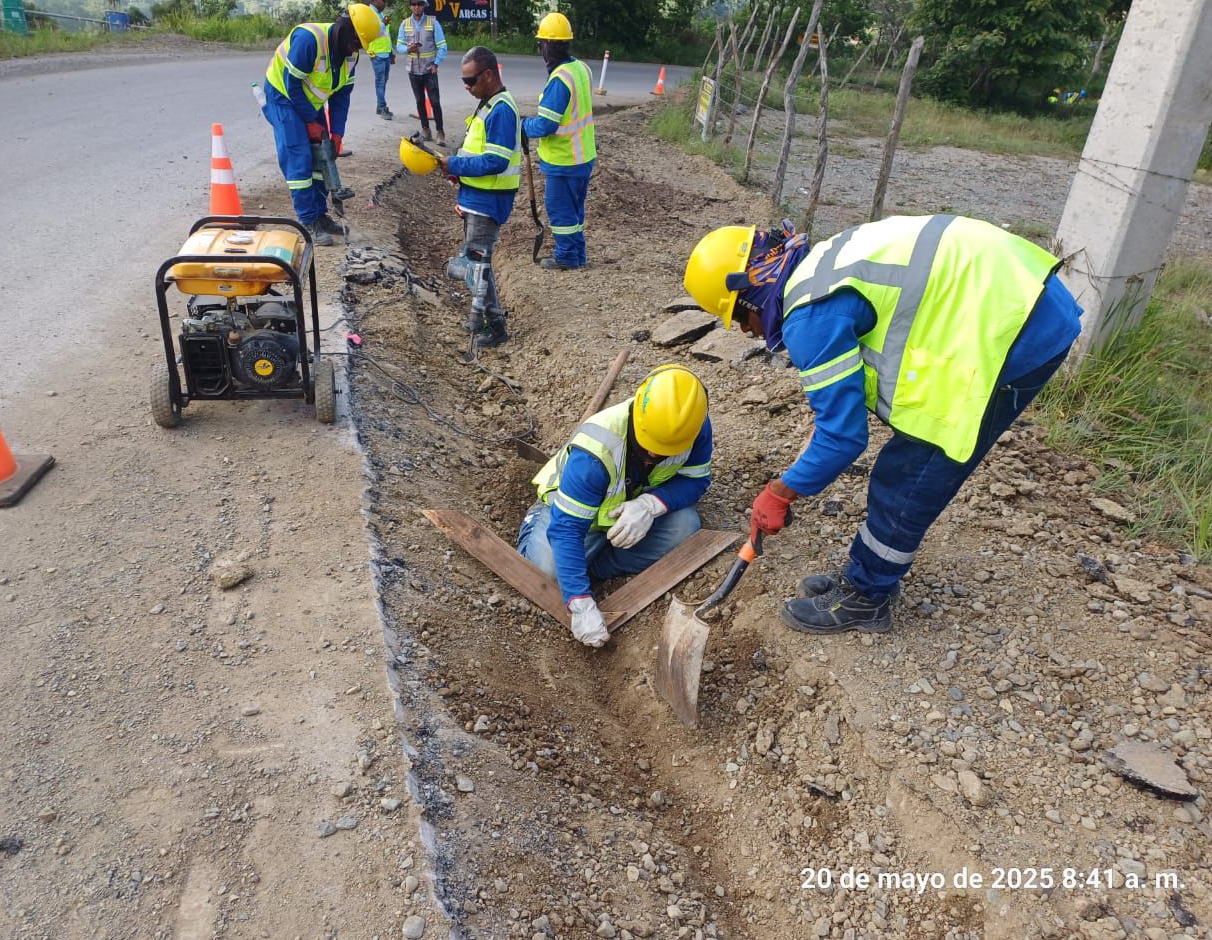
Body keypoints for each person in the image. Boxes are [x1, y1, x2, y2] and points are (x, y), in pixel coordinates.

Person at [683, 215, 1083, 634]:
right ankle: (869, 573)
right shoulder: (820, 268)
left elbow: (843, 438)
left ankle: (868, 596)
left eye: (741, 322)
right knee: (909, 462)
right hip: (1019, 292)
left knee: (912, 471)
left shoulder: (810, 320)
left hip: (1015, 328)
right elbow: (835, 414)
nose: (752, 334)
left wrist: (778, 494)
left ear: (748, 297)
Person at [519, 364, 713, 649]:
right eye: (650, 445)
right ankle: (570, 559)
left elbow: (696, 481)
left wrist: (651, 505)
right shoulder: (593, 455)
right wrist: (580, 603)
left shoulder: (694, 429)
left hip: (624, 514)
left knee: (685, 527)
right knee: (545, 574)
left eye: (665, 449)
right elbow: (567, 529)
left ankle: (594, 566)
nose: (654, 455)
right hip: (566, 517)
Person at [261, 4, 381, 246]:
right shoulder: (310, 40)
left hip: (308, 101)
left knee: (323, 154)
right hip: (282, 97)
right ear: (348, 32)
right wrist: (308, 122)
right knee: (300, 156)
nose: (356, 50)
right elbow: (292, 84)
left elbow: (341, 98)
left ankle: (320, 214)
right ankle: (308, 220)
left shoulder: (350, 57)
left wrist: (337, 135)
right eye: (357, 44)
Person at [437, 46, 521, 349]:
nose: (466, 86)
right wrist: (459, 173)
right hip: (479, 196)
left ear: (488, 74)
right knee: (477, 263)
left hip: (489, 200)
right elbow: (479, 153)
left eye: (470, 80)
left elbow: (496, 161)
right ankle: (489, 319)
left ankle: (493, 326)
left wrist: (456, 165)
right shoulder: (488, 104)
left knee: (476, 265)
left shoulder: (501, 110)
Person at [521, 12, 596, 271]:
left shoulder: (560, 81)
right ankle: (578, 254)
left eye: (541, 43)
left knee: (561, 210)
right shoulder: (581, 68)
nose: (540, 48)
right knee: (575, 210)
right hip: (583, 156)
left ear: (548, 45)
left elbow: (545, 125)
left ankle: (566, 257)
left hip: (564, 160)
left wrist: (523, 125)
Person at [397, 0, 448, 146]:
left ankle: (440, 131)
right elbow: (399, 45)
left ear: (424, 6)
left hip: (429, 69)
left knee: (435, 102)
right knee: (419, 101)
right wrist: (407, 48)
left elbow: (442, 46)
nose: (416, 7)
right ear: (410, 6)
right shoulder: (405, 24)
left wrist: (436, 63)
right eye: (413, 4)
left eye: (419, 4)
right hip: (413, 70)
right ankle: (425, 129)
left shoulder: (433, 23)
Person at [366, 0, 395, 119]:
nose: (385, 2)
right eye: (382, 1)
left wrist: (391, 51)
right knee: (380, 81)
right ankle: (382, 107)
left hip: (385, 52)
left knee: (384, 81)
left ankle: (379, 106)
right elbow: (370, 33)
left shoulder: (380, 13)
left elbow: (386, 35)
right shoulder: (370, 13)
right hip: (377, 53)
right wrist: (383, 23)